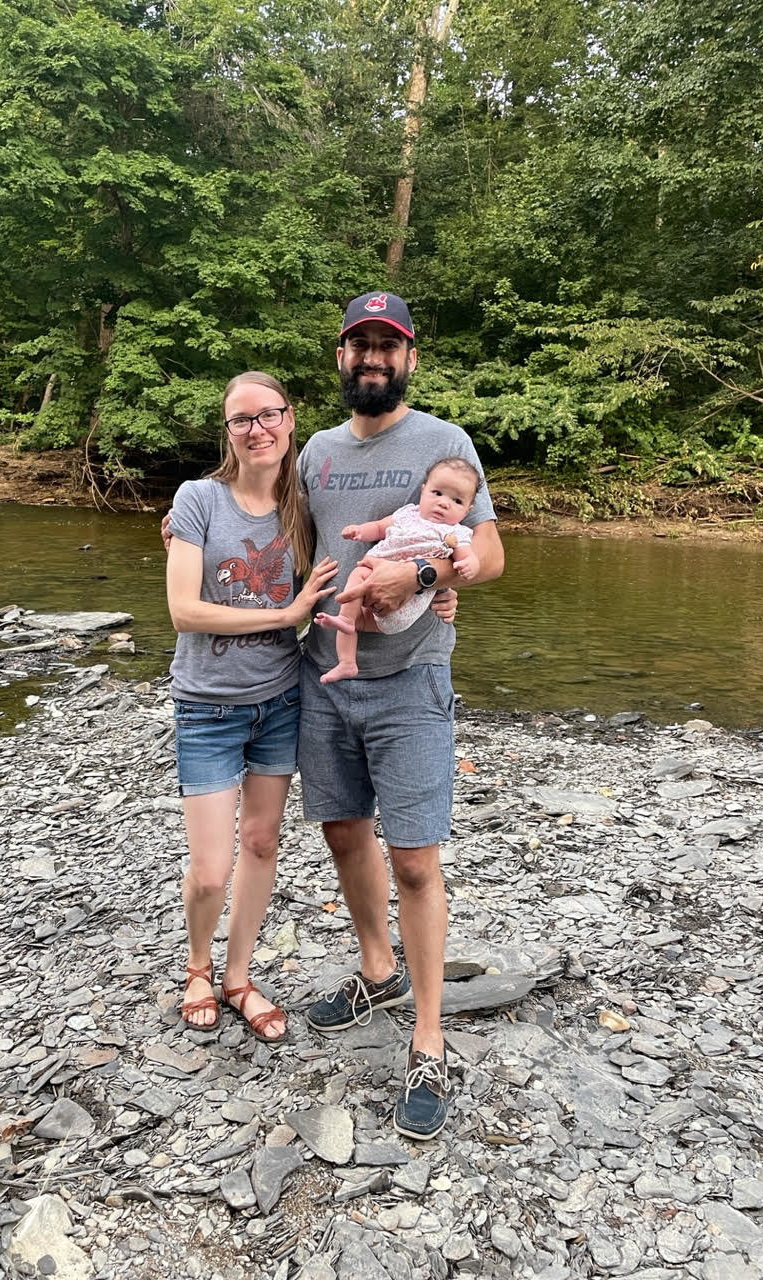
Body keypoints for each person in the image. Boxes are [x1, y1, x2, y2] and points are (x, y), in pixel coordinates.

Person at [298, 291, 504, 1140]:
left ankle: (428, 1039)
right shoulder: (313, 450)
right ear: (341, 357)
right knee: (344, 833)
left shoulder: (447, 445)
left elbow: (487, 556)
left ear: (410, 357)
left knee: (416, 860)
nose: (373, 357)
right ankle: (375, 971)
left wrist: (424, 582)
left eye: (389, 344)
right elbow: (268, 525)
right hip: (323, 676)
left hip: (412, 681)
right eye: (360, 344)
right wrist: (187, 523)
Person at [166, 371, 338, 1044]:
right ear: (228, 431)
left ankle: (237, 976)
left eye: (269, 415)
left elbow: (383, 543)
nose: (257, 429)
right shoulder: (198, 499)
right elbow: (183, 611)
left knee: (262, 842)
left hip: (281, 699)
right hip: (207, 705)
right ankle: (197, 965)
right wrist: (287, 611)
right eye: (242, 420)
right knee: (211, 869)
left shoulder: (307, 507)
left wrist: (443, 584)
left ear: (291, 421)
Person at [314, 457, 480, 683]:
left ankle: (346, 619)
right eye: (437, 493)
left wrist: (468, 564)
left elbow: (468, 557)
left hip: (408, 602)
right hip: (376, 593)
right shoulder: (407, 514)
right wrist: (360, 531)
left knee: (358, 577)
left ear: (468, 510)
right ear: (423, 490)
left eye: (457, 500)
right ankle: (347, 662)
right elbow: (381, 527)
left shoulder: (455, 533)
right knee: (355, 615)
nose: (444, 503)